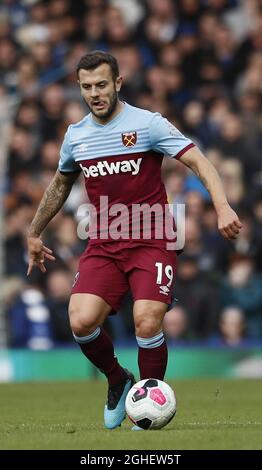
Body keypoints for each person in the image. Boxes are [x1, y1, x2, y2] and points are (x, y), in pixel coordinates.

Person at [27, 51, 242, 430]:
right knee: (80, 321)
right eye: (87, 87)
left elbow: (200, 162)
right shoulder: (76, 136)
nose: (95, 93)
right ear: (79, 88)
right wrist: (34, 231)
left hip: (152, 238)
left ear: (118, 83)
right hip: (104, 243)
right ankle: (117, 379)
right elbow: (61, 183)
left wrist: (222, 206)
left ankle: (148, 399)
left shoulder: (147, 124)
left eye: (101, 85)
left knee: (146, 320)